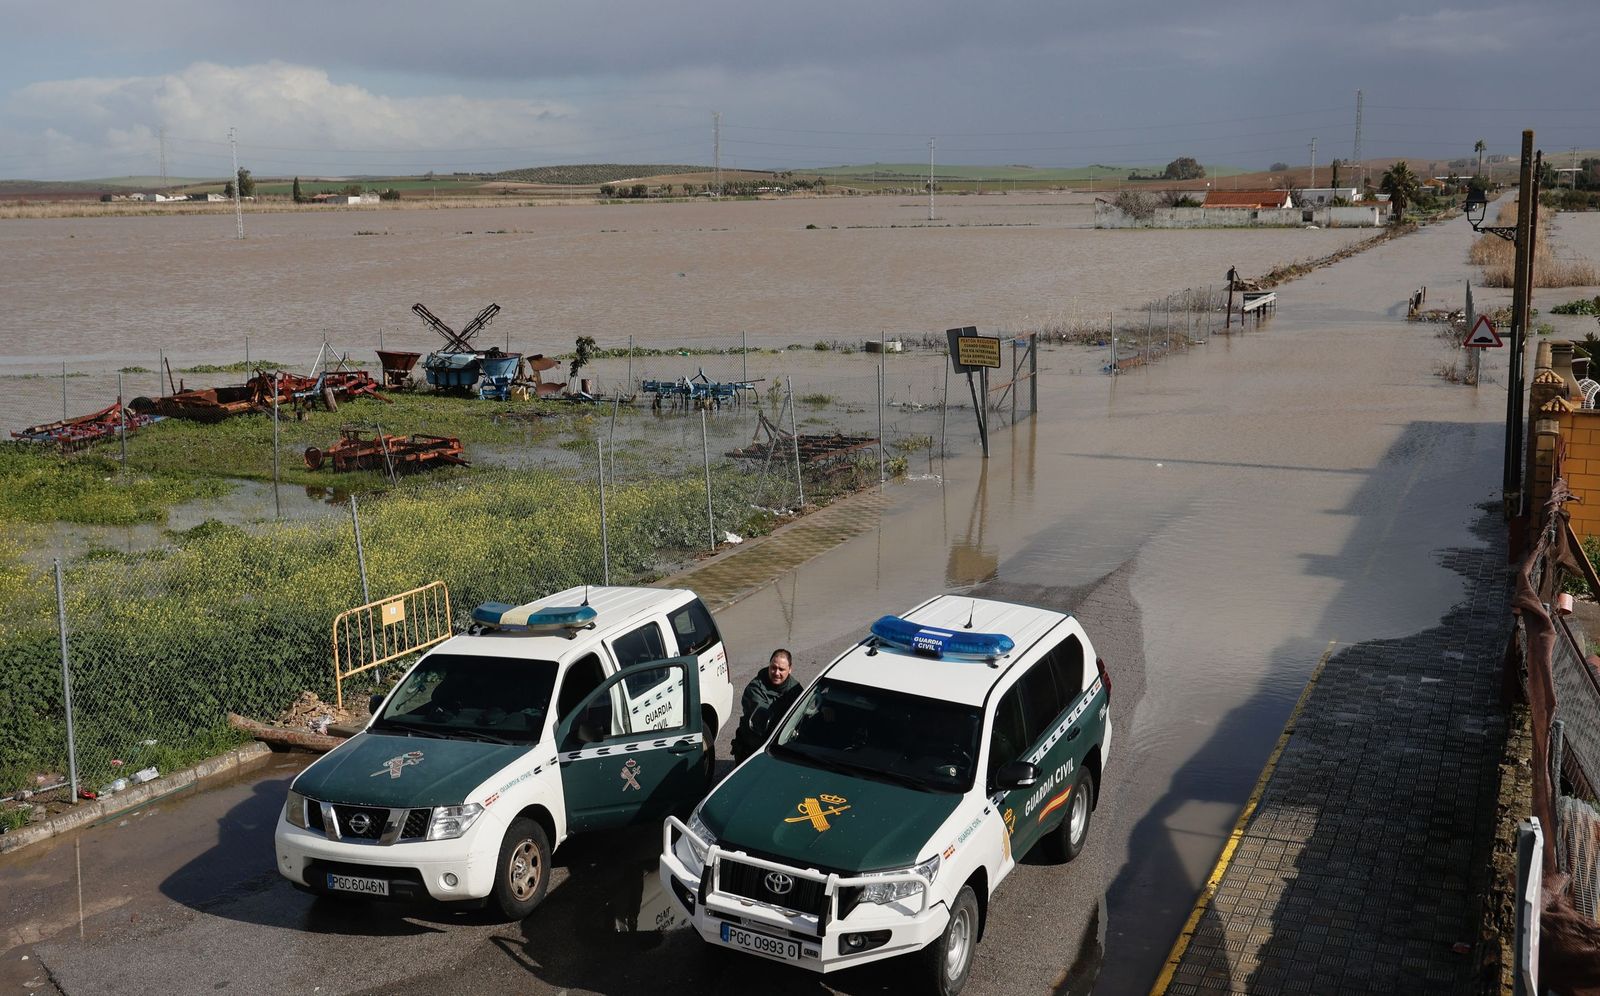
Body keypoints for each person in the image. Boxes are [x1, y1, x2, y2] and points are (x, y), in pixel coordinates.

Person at [732, 649, 801, 763]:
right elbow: (764, 717)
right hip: (752, 750)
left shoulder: (796, 690)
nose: (776, 673)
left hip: (780, 752)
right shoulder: (755, 688)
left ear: (790, 670)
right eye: (773, 668)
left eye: (781, 669)